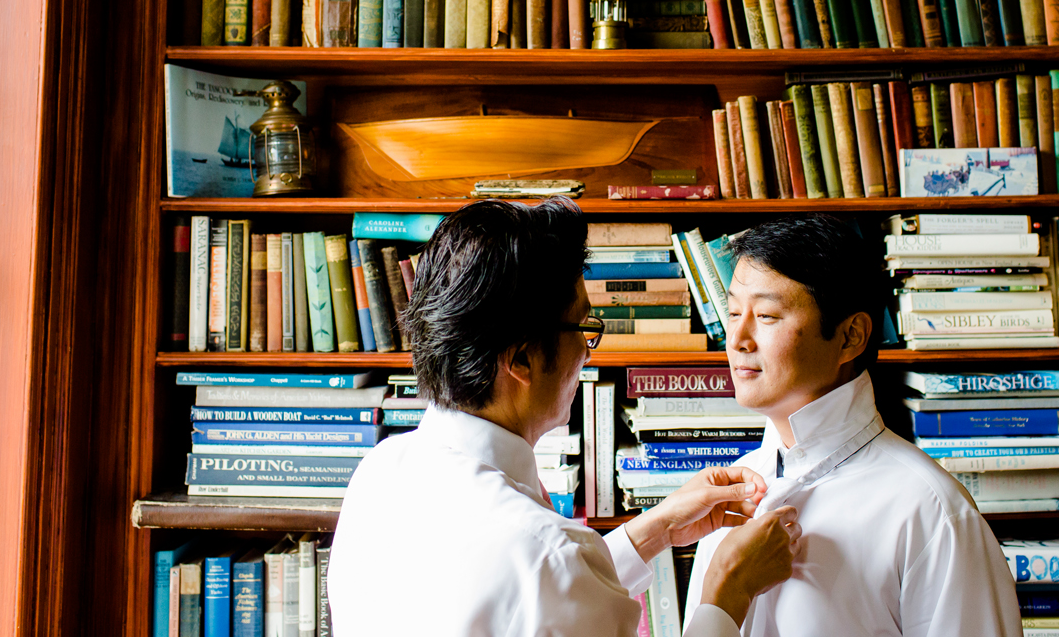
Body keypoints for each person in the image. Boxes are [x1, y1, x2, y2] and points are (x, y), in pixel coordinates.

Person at [327, 199, 801, 636]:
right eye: (583, 327)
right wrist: (726, 592)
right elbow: (546, 577)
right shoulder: (546, 555)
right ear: (521, 361)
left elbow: (534, 594)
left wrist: (656, 528)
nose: (587, 352)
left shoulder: (380, 471)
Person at [683, 214, 1023, 636]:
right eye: (734, 312)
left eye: (767, 316)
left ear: (850, 336)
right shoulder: (721, 502)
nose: (737, 338)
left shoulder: (931, 511)